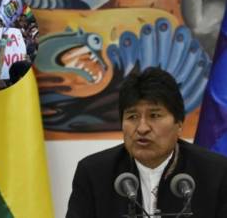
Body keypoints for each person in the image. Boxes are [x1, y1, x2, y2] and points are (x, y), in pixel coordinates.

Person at [66, 67, 227, 218]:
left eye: (154, 116)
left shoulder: (216, 174)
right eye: (132, 117)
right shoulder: (93, 173)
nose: (142, 128)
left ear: (179, 123)